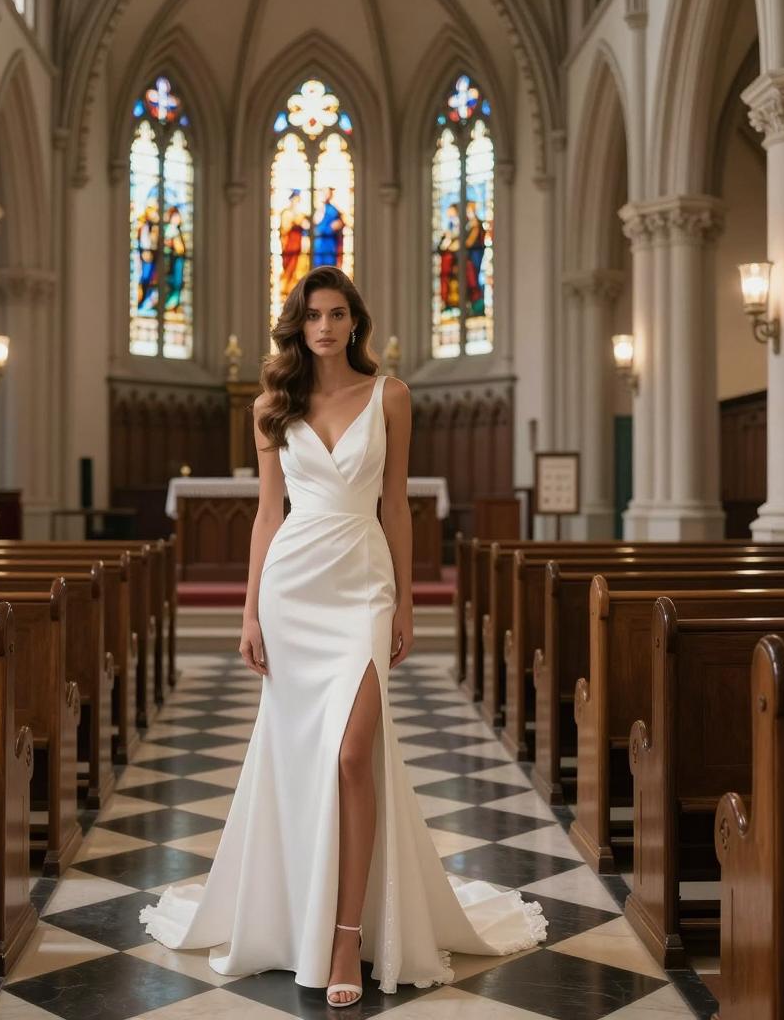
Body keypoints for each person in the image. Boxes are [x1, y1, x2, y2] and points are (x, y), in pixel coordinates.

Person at [138, 266, 546, 1007]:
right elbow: (267, 513)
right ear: (297, 325)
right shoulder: (272, 403)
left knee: (355, 753)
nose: (324, 326)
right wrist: (250, 611)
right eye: (312, 316)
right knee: (302, 759)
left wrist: (407, 602)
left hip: (361, 583)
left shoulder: (392, 396)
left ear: (356, 322)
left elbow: (396, 506)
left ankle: (347, 936)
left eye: (337, 314)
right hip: (292, 587)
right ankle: (299, 914)